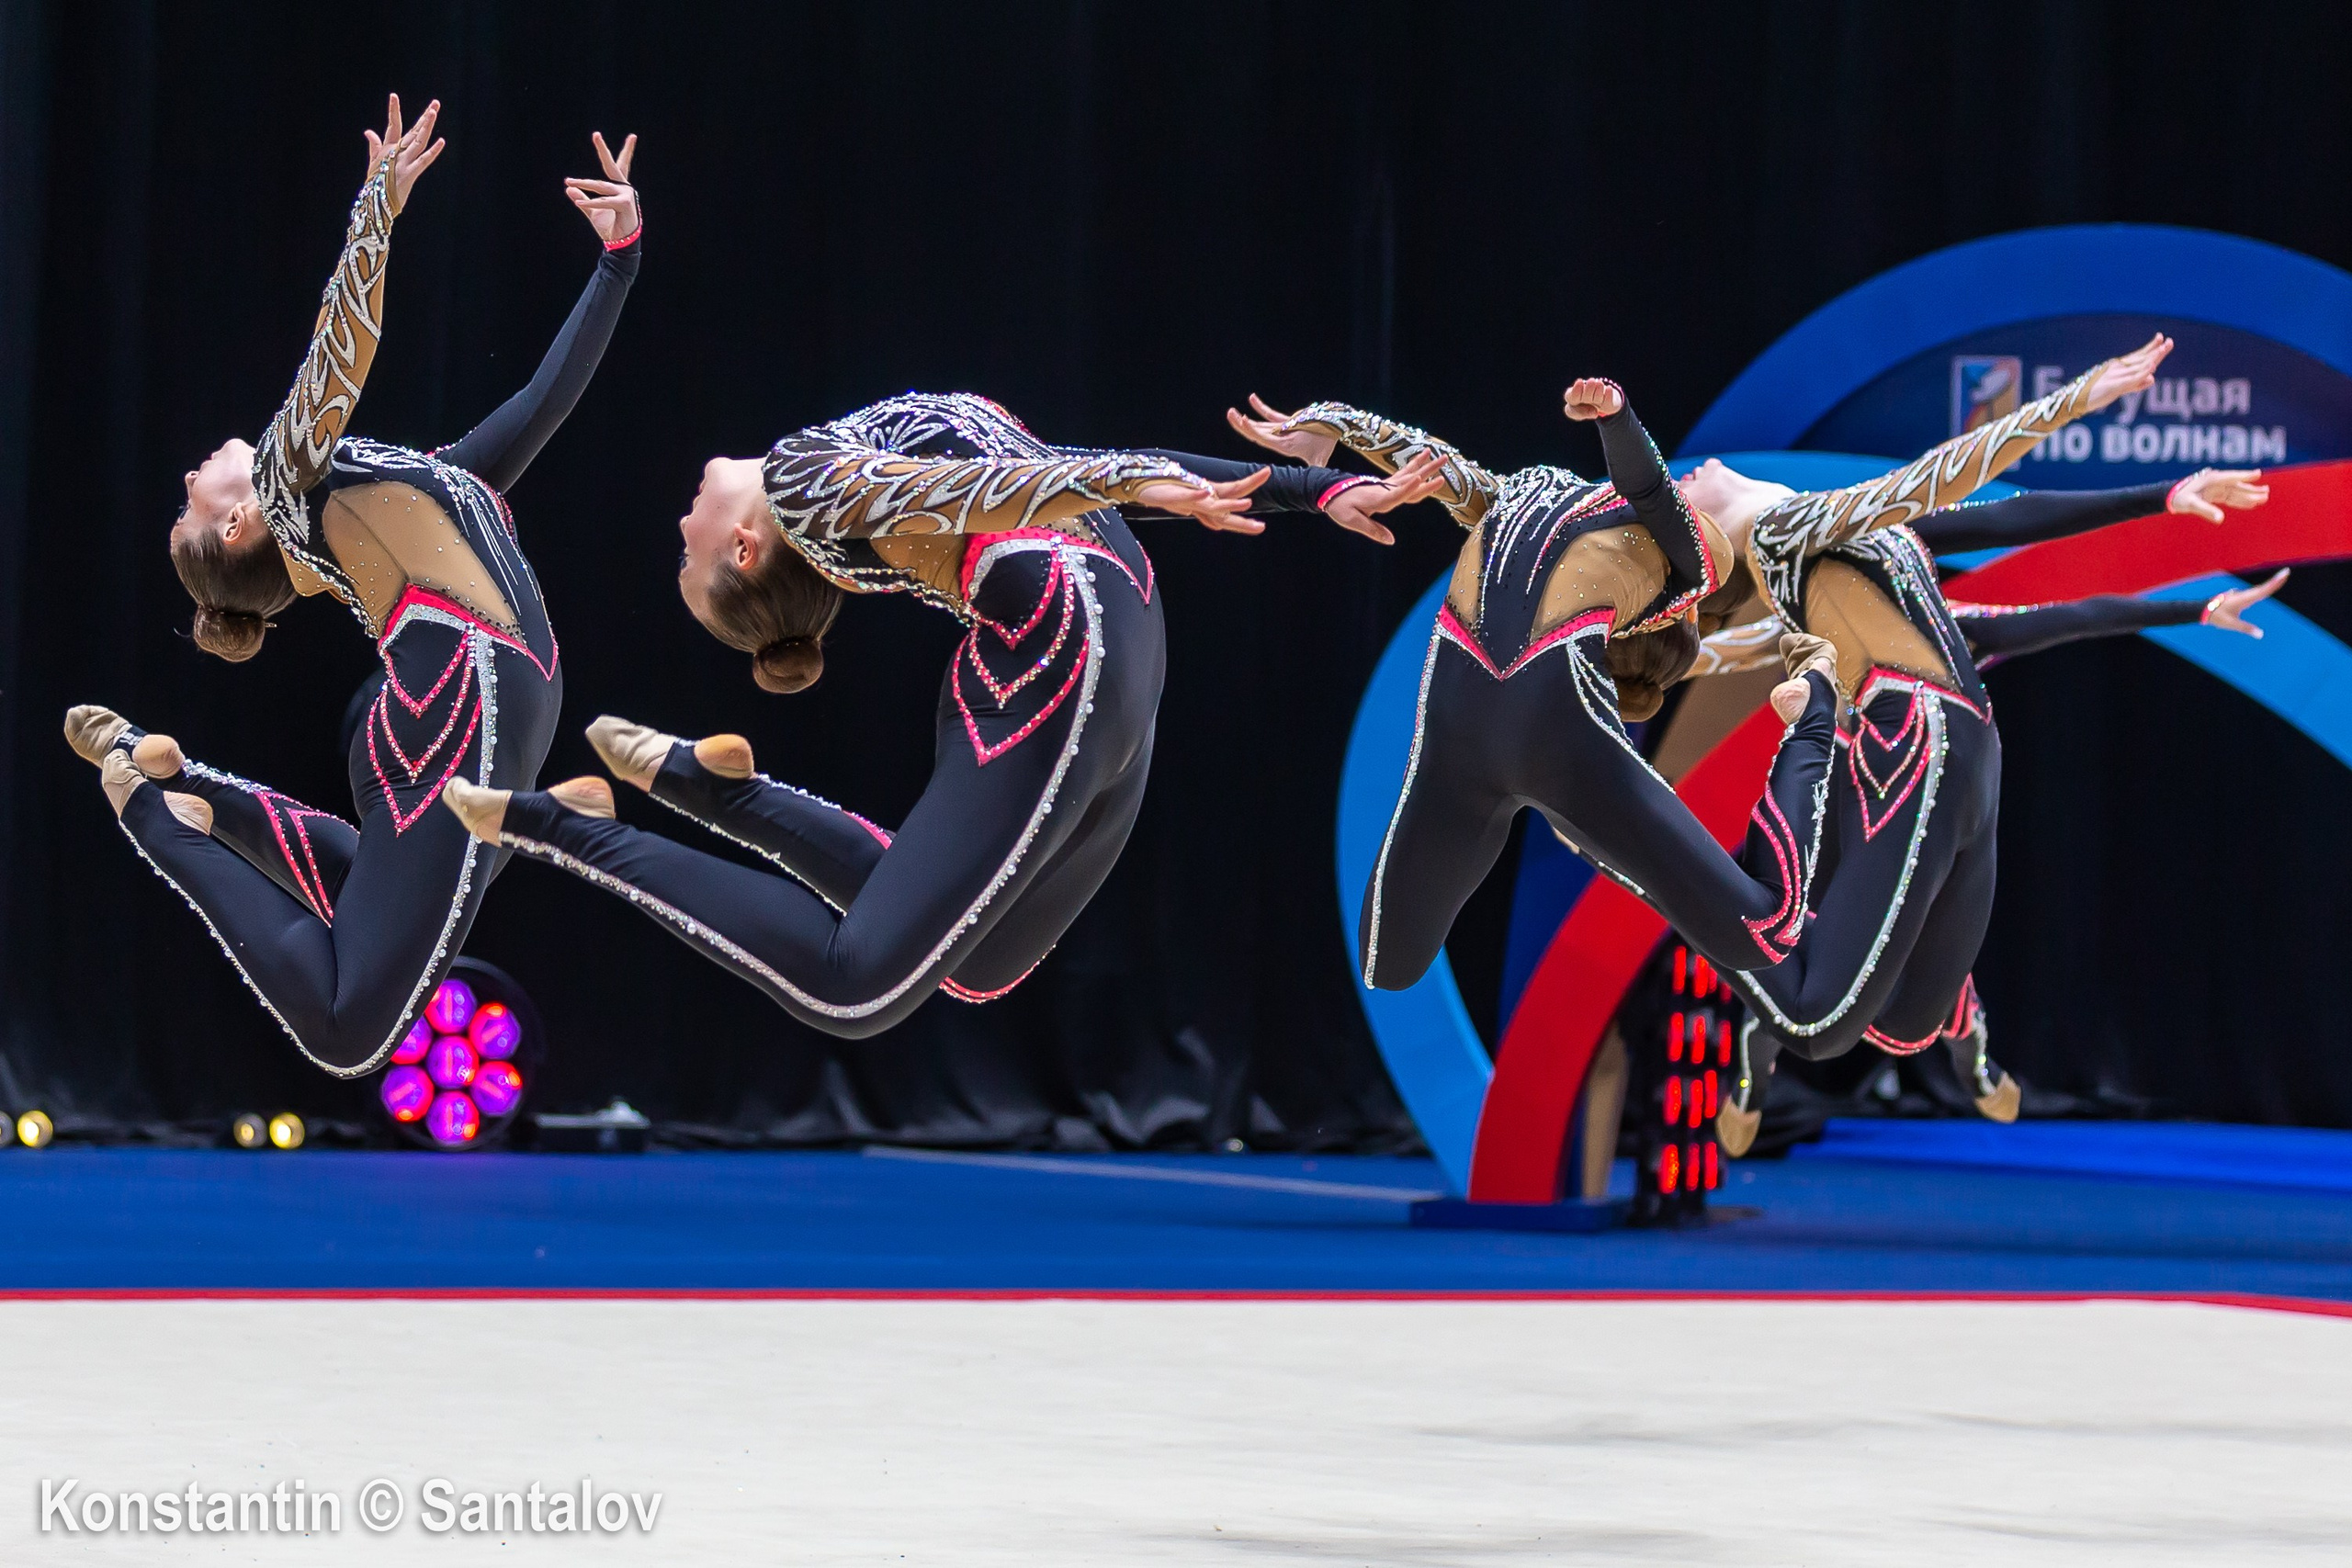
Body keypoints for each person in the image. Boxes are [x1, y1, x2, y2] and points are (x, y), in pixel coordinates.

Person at [438, 391, 1448, 1036]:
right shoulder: (813, 490)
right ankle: (657, 802)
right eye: (685, 553)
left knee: (886, 980)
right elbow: (1003, 485)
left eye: (681, 555)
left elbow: (1037, 478)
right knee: (945, 968)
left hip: (1085, 640)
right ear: (744, 549)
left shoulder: (811, 470)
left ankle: (608, 816)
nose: (678, 524)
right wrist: (1276, 487)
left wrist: (1300, 489)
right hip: (1087, 640)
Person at [63, 97, 644, 1076]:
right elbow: (340, 354)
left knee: (379, 912)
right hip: (457, 708)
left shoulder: (398, 491)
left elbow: (541, 402)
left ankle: (198, 791)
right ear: (236, 525)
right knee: (348, 1032)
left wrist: (618, 260)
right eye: (187, 501)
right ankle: (157, 815)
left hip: (463, 710)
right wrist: (375, 210)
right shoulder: (289, 489)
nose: (190, 474)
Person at [1670, 335, 2275, 1149]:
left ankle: (1958, 1036)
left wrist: (2169, 508)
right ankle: (1748, 1029)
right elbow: (1943, 475)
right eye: (1678, 497)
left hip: (1971, 755)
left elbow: (2014, 521)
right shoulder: (1783, 533)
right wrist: (2079, 398)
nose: (1686, 474)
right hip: (1911, 746)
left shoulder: (1866, 537)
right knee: (1826, 1015)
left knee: (1910, 1024)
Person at [1224, 380, 1845, 993]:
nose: (1709, 469)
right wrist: (1331, 423)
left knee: (1385, 963)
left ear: (1671, 612)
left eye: (1733, 481)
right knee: (1386, 967)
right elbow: (1436, 467)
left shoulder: (1703, 562)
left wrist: (1620, 419)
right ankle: (1796, 725)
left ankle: (1814, 713)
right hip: (1535, 737)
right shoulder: (1527, 502)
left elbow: (1653, 492)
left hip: (1486, 724)